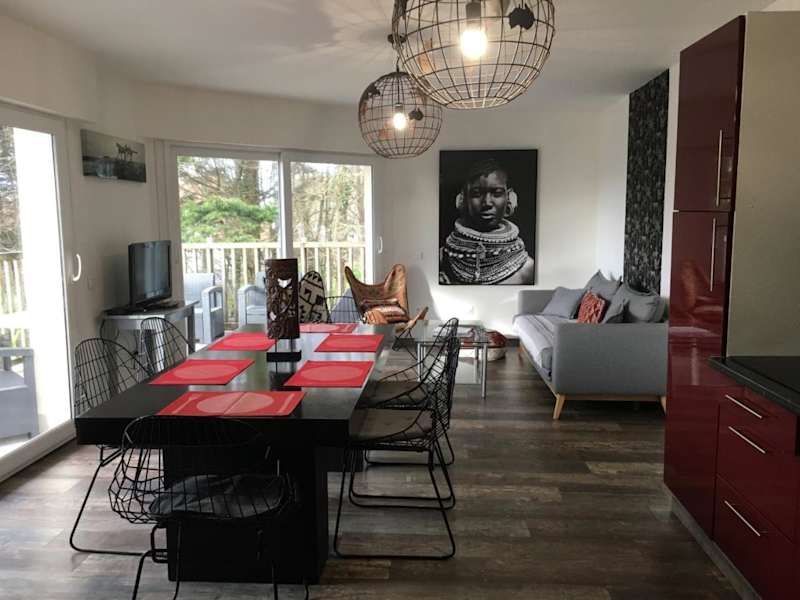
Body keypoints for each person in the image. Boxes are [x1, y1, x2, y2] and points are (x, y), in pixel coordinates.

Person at [439, 159, 535, 285]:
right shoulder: (443, 259)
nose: (487, 203)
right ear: (463, 199)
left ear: (510, 198)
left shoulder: (527, 269)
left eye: (497, 193)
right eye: (476, 193)